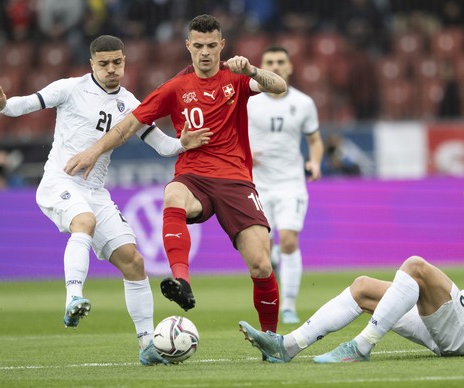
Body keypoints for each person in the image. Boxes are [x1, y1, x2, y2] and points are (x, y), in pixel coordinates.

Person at [0, 35, 211, 366]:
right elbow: (27, 103)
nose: (111, 69)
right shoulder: (70, 89)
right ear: (92, 65)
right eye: (104, 64)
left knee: (135, 262)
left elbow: (162, 146)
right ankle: (73, 298)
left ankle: (146, 345)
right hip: (60, 181)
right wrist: (5, 107)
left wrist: (182, 142)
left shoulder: (130, 104)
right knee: (84, 222)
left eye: (117, 62)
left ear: (125, 61)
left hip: (96, 191)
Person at [63, 14, 287, 333]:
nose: (205, 52)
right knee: (172, 194)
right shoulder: (175, 87)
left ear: (222, 45)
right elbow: (128, 125)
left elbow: (278, 86)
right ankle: (182, 279)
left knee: (261, 265)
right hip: (194, 177)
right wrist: (94, 150)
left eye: (211, 45)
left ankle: (271, 339)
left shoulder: (235, 77)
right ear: (188, 46)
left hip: (236, 180)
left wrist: (251, 69)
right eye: (198, 46)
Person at [239, 255, 464, 363]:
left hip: (458, 327)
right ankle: (287, 346)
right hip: (453, 322)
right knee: (363, 287)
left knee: (415, 267)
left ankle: (361, 346)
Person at [247, 46, 324, 325]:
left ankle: (289, 306)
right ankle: (275, 295)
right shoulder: (249, 100)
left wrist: (315, 163)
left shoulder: (303, 103)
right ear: (262, 66)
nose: (276, 66)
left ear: (290, 67)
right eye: (270, 62)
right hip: (257, 185)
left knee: (289, 240)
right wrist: (245, 153)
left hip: (291, 182)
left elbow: (315, 141)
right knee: (262, 251)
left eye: (281, 62)